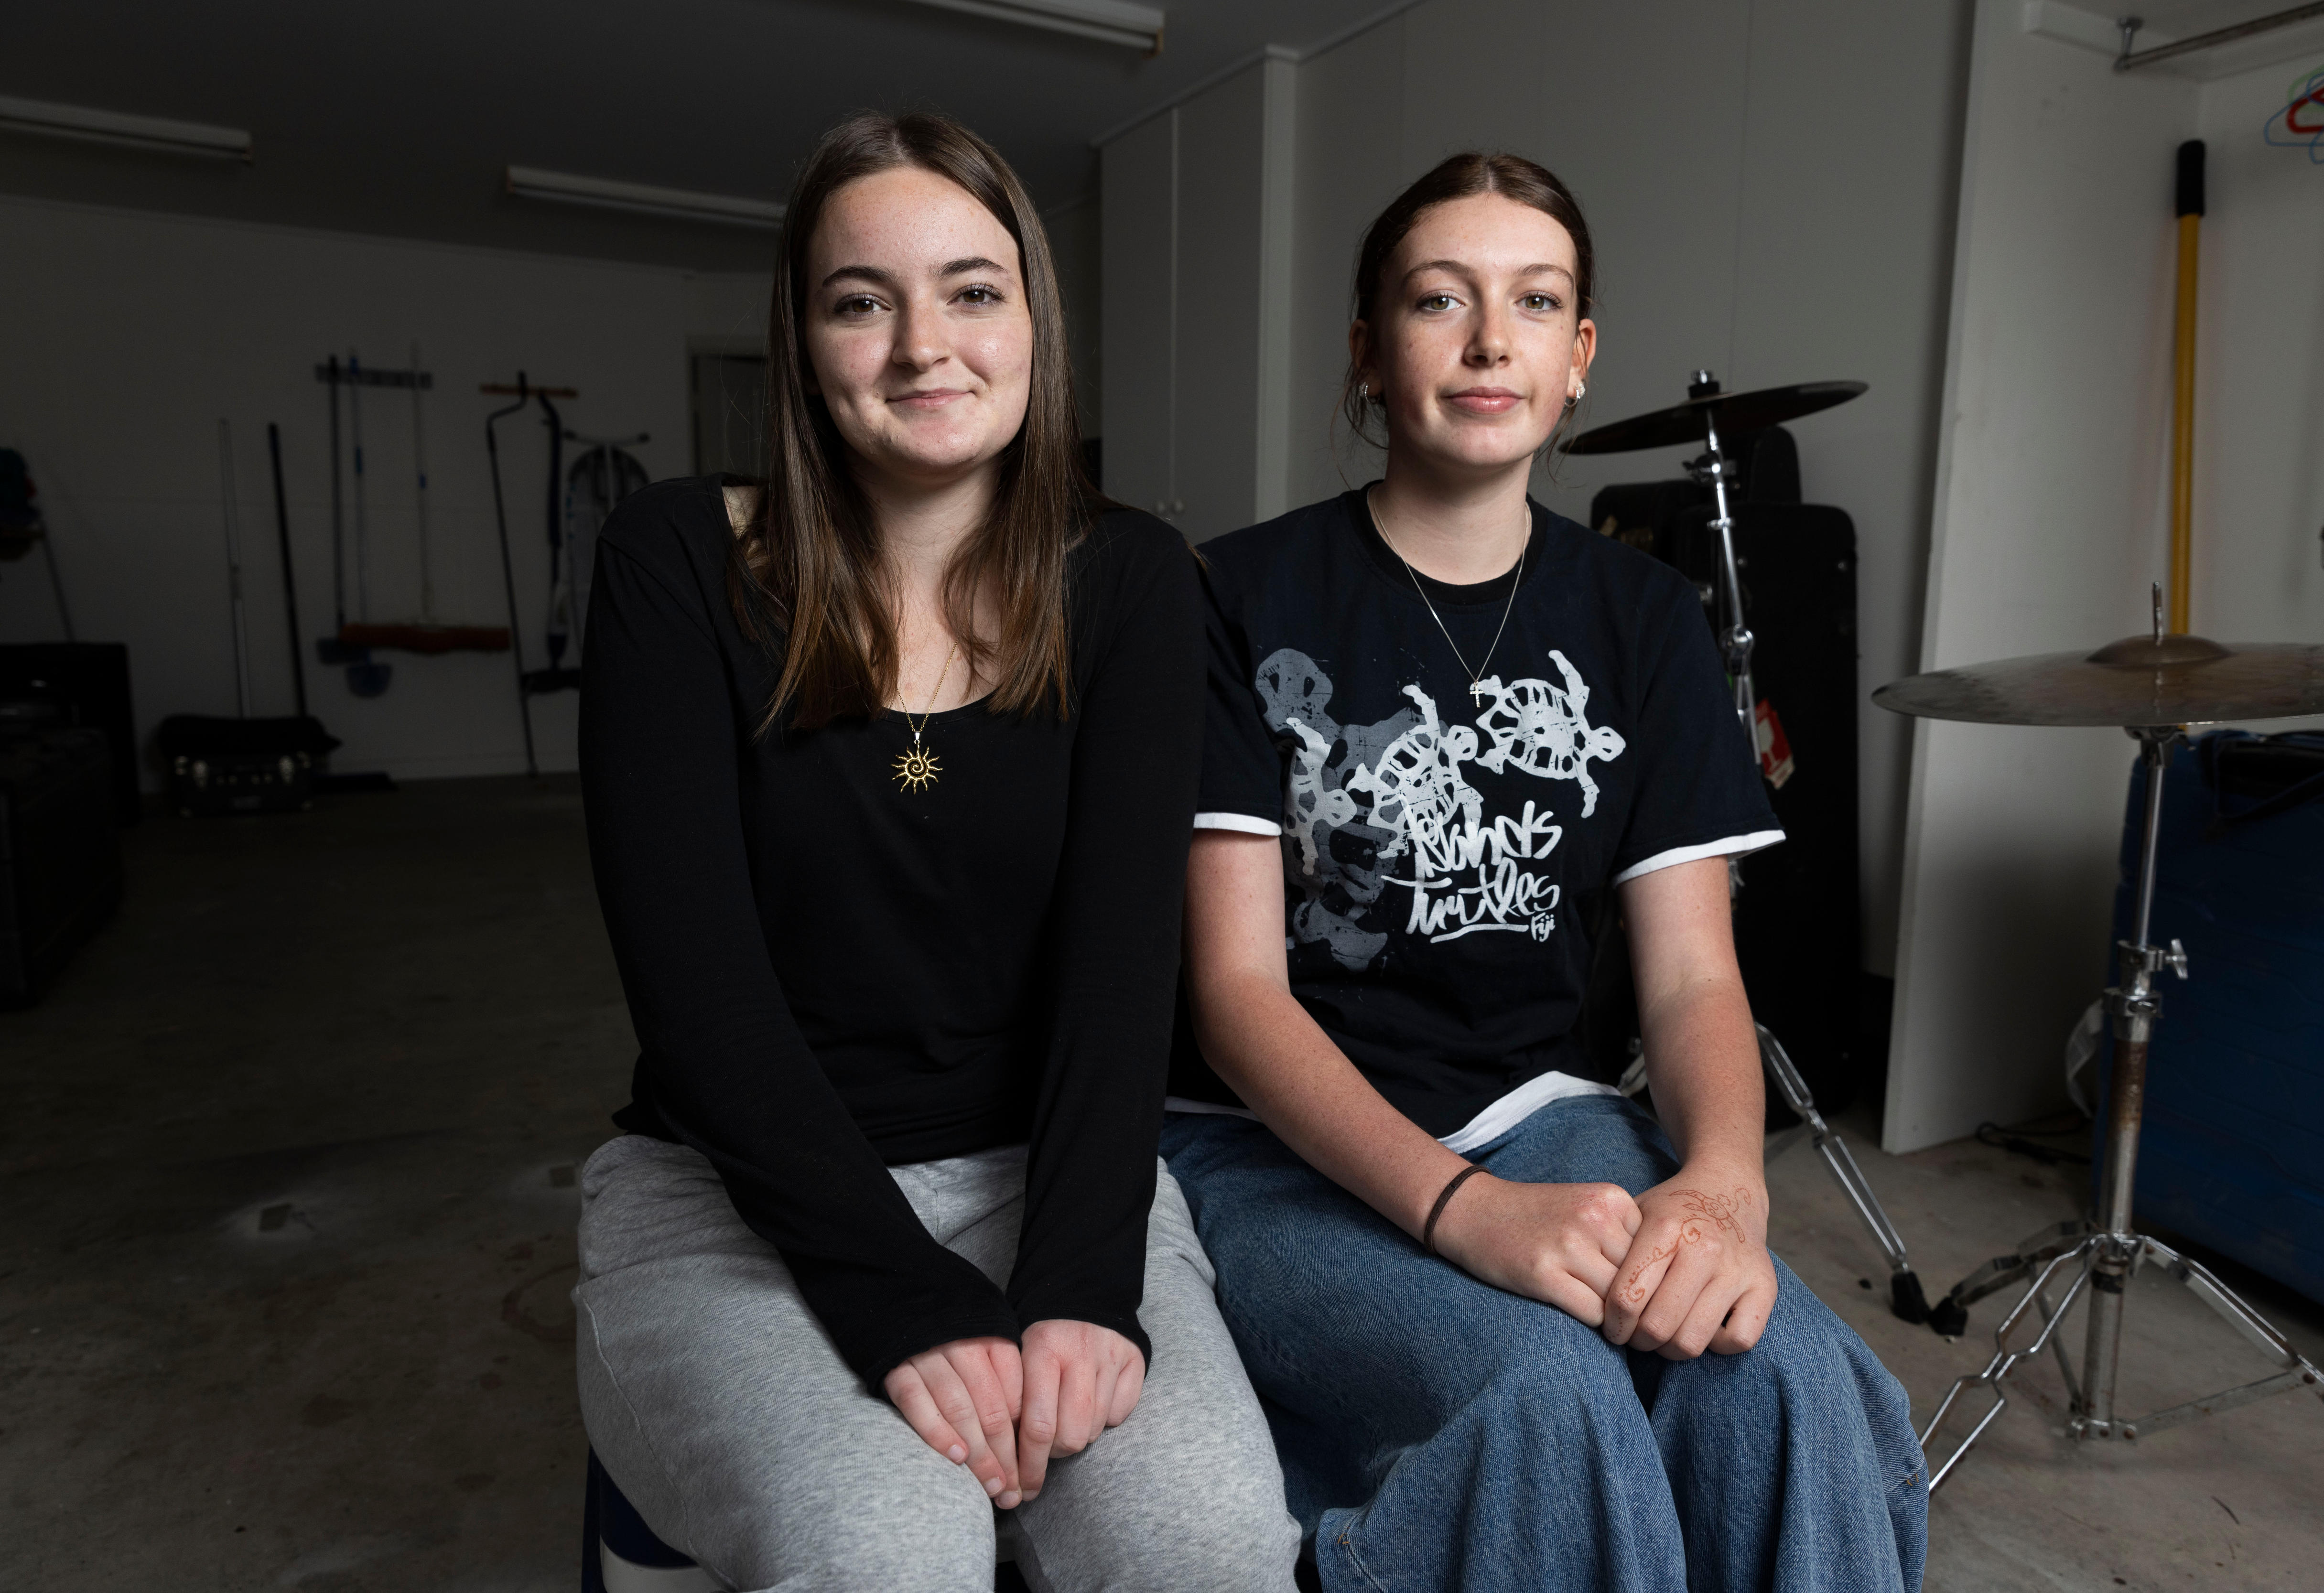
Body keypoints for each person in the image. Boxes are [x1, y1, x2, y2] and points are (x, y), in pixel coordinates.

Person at [1162, 151, 1928, 1592]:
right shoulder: (1233, 593)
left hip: (1539, 1112)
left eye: (1535, 302)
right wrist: (1464, 1214)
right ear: (1370, 350)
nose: (1487, 339)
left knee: (1780, 1373)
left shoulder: (1647, 614)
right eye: (1439, 299)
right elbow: (1236, 997)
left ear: (1578, 359)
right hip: (1259, 1144)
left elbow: (1695, 973)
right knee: (1544, 1398)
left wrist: (1718, 1190)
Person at [572, 111, 1299, 1593]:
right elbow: (698, 1003)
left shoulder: (1135, 584)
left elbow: (1119, 978)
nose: (924, 344)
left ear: (1033, 317)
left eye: (973, 290)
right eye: (862, 301)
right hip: (733, 1189)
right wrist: (898, 1299)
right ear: (803, 337)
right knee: (884, 1549)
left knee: (1208, 1545)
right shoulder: (676, 562)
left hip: (1055, 1171)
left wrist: (1086, 1284)